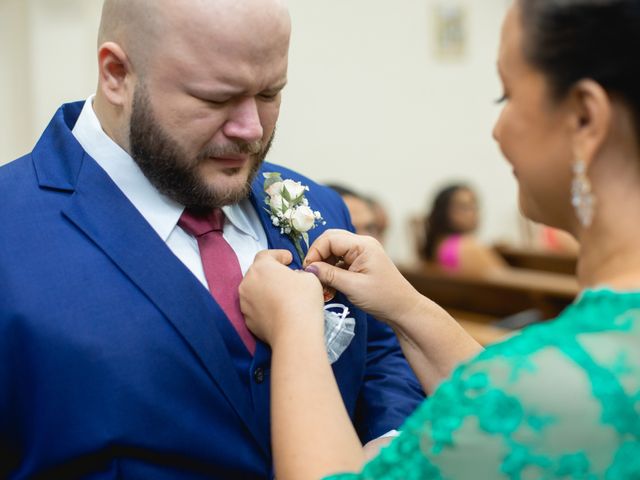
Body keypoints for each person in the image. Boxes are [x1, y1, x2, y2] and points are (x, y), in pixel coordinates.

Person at [0, 0, 423, 478]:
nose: (252, 130)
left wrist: (391, 446)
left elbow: (379, 357)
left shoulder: (322, 209)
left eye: (269, 93)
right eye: (216, 98)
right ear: (116, 74)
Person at [239, 0, 640, 478]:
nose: (497, 129)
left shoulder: (569, 376)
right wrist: (406, 307)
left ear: (583, 118)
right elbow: (507, 403)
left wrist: (293, 330)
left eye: (505, 96)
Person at [422, 183, 507, 275]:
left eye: (474, 206)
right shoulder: (468, 246)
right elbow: (507, 280)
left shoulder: (439, 244)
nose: (473, 213)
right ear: (444, 211)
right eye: (464, 207)